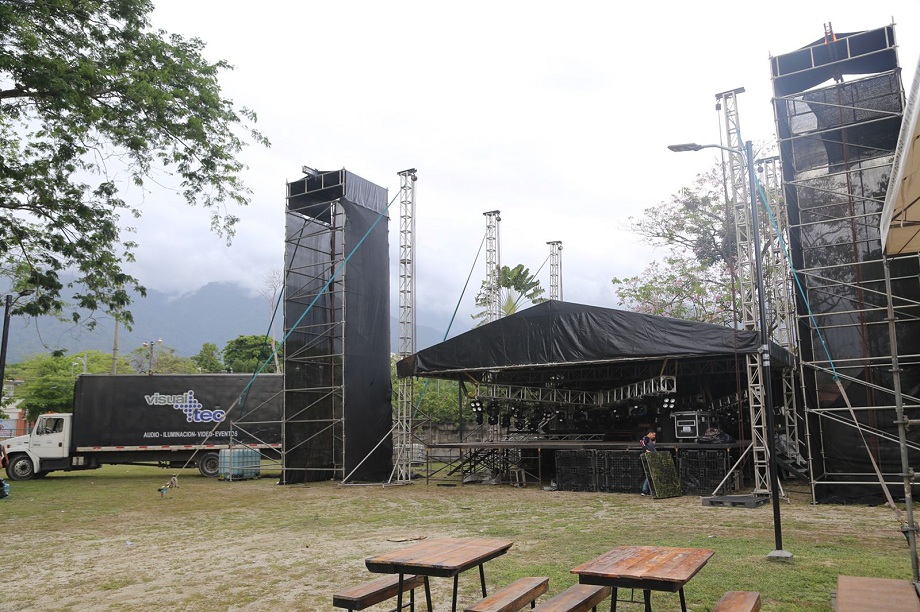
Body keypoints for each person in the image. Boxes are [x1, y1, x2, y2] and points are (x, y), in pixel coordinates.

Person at [640, 428, 657, 496]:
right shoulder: (646, 438)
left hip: (652, 457)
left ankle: (646, 490)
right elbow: (642, 442)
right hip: (649, 458)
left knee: (651, 474)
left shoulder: (649, 440)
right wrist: (646, 450)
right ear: (650, 433)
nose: (654, 436)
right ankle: (645, 490)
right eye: (653, 435)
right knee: (650, 474)